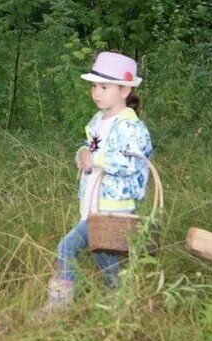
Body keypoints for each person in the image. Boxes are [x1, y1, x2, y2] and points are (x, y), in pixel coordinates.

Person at [37, 51, 153, 317]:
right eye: (94, 86)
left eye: (104, 87)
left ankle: (58, 306)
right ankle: (121, 304)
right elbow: (90, 149)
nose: (97, 93)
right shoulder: (98, 121)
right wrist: (82, 153)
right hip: (93, 202)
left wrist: (96, 159)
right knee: (104, 257)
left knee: (67, 247)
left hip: (113, 207)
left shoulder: (130, 127)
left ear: (125, 90)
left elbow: (133, 163)